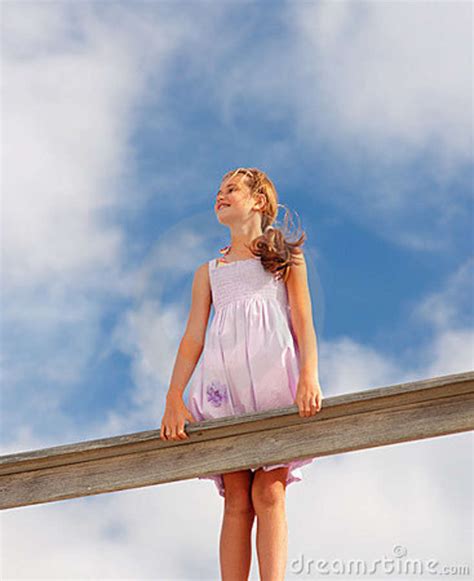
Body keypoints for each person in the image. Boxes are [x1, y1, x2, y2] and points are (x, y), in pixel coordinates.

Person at [160, 167, 323, 580]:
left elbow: (303, 323)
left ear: (258, 201)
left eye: (231, 189)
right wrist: (174, 398)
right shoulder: (209, 273)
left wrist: (309, 376)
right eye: (218, 190)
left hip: (272, 387)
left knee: (268, 492)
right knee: (236, 495)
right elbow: (192, 338)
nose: (220, 195)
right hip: (225, 392)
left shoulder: (286, 259)